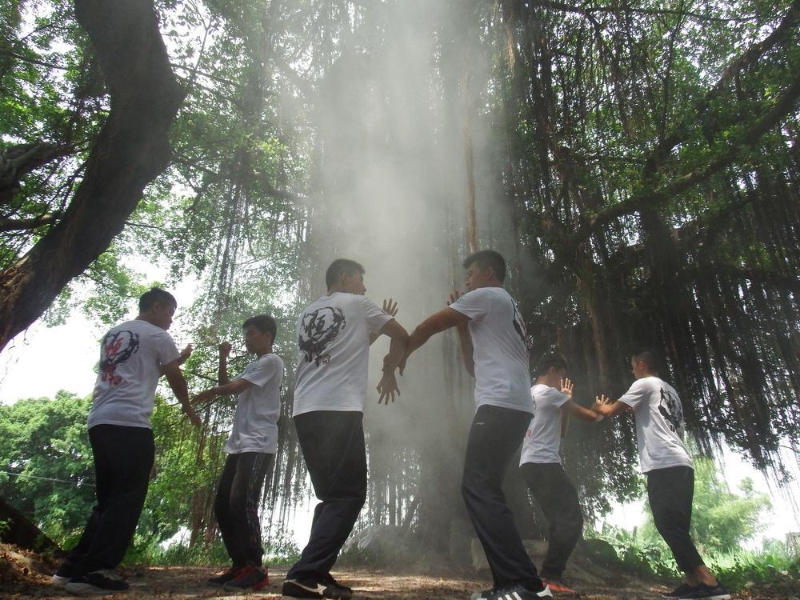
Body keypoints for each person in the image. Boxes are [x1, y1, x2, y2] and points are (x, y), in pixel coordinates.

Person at [404, 250, 552, 600]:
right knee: (485, 490)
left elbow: (428, 325)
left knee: (478, 488)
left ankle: (525, 585)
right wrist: (462, 325)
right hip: (511, 407)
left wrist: (402, 350)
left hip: (499, 405)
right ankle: (510, 584)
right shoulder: (502, 305)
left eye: (470, 274)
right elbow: (472, 366)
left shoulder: (488, 295)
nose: (466, 281)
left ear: (488, 273)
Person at [52, 288, 201, 595]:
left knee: (107, 500)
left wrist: (178, 359)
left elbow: (140, 370)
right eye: (171, 313)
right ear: (157, 307)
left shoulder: (114, 333)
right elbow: (174, 378)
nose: (171, 321)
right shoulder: (158, 336)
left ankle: (71, 568)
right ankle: (93, 571)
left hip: (100, 421)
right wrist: (188, 408)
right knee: (127, 499)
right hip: (131, 424)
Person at [281, 259, 409, 600]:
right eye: (361, 279)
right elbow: (404, 336)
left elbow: (344, 349)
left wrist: (376, 329)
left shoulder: (307, 313)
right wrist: (388, 370)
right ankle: (305, 574)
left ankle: (317, 572)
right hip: (339, 409)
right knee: (350, 495)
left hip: (305, 410)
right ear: (345, 277)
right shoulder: (358, 303)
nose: (365, 287)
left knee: (330, 497)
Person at [592, 350, 731, 600]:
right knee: (677, 526)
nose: (632, 370)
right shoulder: (669, 391)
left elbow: (612, 411)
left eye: (633, 366)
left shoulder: (643, 383)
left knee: (666, 524)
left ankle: (710, 583)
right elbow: (651, 416)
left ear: (642, 365)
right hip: (681, 462)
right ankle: (691, 582)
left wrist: (601, 407)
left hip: (663, 463)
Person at [193, 315, 284, 591]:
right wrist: (223, 358)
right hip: (240, 443)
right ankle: (239, 565)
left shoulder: (271, 361)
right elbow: (230, 387)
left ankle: (255, 568)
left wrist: (210, 391)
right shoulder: (254, 365)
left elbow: (232, 387)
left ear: (267, 335)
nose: (247, 338)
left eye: (252, 333)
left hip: (258, 442)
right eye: (246, 334)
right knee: (223, 504)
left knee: (241, 501)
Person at [519, 356, 601, 594]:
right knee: (572, 518)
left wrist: (566, 402)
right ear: (552, 370)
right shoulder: (548, 392)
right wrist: (598, 411)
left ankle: (549, 576)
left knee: (559, 520)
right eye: (562, 375)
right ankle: (550, 575)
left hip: (530, 465)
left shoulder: (530, 393)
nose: (562, 381)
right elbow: (589, 416)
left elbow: (562, 432)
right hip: (545, 463)